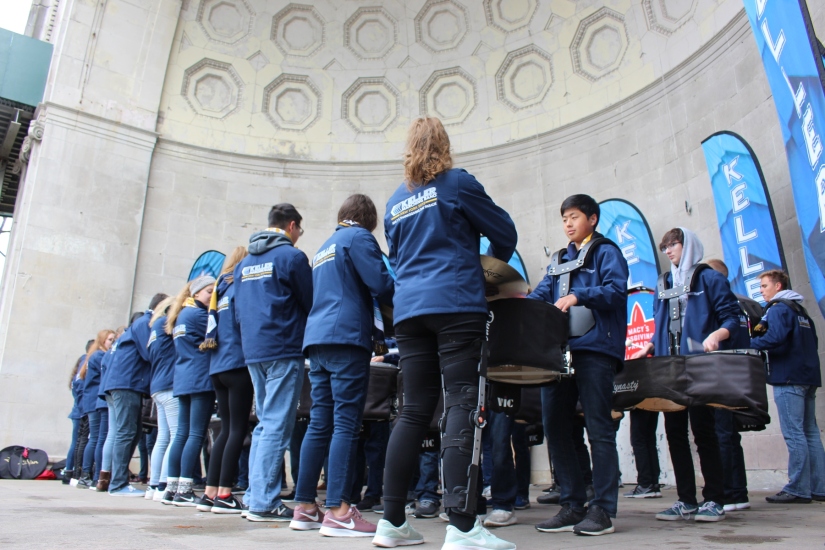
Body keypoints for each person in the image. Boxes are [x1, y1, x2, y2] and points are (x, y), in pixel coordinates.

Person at [374, 117, 518, 549]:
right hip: (456, 305)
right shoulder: (457, 182)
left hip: (410, 312)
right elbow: (505, 232)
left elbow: (397, 259)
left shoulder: (396, 201)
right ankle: (461, 526)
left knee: (413, 411)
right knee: (461, 405)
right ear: (445, 146)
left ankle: (393, 522)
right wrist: (489, 270)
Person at [290, 194, 394, 537]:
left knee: (320, 422)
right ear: (368, 220)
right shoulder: (359, 236)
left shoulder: (324, 247)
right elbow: (380, 284)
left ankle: (305, 506)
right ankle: (339, 510)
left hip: (317, 339)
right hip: (346, 338)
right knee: (346, 426)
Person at [528, 194, 628, 536]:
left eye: (574, 217)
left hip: (596, 349)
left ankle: (602, 509)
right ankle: (571, 504)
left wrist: (578, 295)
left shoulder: (606, 252)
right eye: (564, 219)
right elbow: (540, 295)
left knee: (599, 428)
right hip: (558, 355)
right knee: (555, 427)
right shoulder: (558, 259)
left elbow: (616, 291)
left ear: (593, 219)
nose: (568, 224)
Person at [631, 228, 739, 523]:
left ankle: (715, 498)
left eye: (673, 244)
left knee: (704, 432)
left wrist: (718, 334)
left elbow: (732, 317)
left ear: (688, 244)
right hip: (669, 369)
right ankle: (686, 500)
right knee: (675, 433)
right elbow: (661, 325)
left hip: (699, 367)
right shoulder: (663, 283)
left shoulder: (709, 278)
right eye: (664, 246)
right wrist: (649, 347)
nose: (668, 251)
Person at [234, 203, 313, 522]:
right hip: (283, 346)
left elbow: (239, 311)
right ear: (292, 226)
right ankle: (264, 502)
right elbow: (311, 301)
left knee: (266, 423)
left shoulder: (244, 263)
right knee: (277, 424)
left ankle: (256, 495)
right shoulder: (292, 257)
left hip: (254, 350)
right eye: (300, 231)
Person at [751, 269, 825, 504]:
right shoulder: (800, 311)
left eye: (764, 286)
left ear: (778, 286)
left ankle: (798, 488)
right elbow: (813, 342)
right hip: (808, 377)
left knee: (794, 434)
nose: (761, 291)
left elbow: (774, 338)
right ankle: (819, 487)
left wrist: (748, 343)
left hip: (788, 378)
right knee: (810, 433)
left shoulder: (778, 308)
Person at [198, 247, 255, 514]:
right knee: (237, 431)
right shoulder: (239, 287)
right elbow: (245, 322)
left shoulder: (218, 290)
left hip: (217, 365)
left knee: (226, 430)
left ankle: (210, 492)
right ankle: (225, 493)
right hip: (236, 362)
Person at [104, 294, 168, 496]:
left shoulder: (140, 323)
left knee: (127, 432)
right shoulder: (145, 323)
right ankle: (118, 484)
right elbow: (149, 353)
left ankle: (116, 481)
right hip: (126, 384)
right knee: (126, 432)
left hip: (123, 383)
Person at [161, 275, 216, 506]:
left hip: (183, 379)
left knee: (181, 434)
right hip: (200, 378)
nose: (213, 296)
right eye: (209, 291)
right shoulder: (199, 315)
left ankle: (172, 488)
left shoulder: (182, 315)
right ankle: (185, 488)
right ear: (196, 294)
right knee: (195, 434)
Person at [705, 258, 752, 511]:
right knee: (729, 435)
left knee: (722, 434)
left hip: (724, 372)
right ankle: (737, 491)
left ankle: (731, 493)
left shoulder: (725, 308)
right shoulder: (742, 304)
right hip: (737, 373)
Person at [146, 296, 178, 501]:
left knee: (162, 437)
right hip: (169, 384)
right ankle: (164, 484)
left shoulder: (154, 328)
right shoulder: (167, 324)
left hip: (157, 386)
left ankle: (154, 484)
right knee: (175, 435)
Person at [76, 329, 115, 488]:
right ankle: (93, 474)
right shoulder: (100, 356)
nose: (112, 343)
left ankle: (86, 474)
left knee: (95, 438)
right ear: (102, 341)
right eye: (110, 340)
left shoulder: (93, 355)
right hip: (96, 401)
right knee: (99, 438)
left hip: (92, 401)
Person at [96, 326, 125, 492]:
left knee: (111, 433)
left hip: (108, 391)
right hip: (116, 389)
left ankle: (103, 477)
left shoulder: (109, 353)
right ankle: (113, 478)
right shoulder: (120, 348)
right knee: (118, 433)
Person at [64, 343, 92, 484]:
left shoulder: (82, 362)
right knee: (78, 441)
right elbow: (80, 388)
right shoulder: (85, 361)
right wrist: (84, 409)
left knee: (77, 442)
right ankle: (71, 471)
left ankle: (69, 471)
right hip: (80, 411)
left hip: (78, 410)